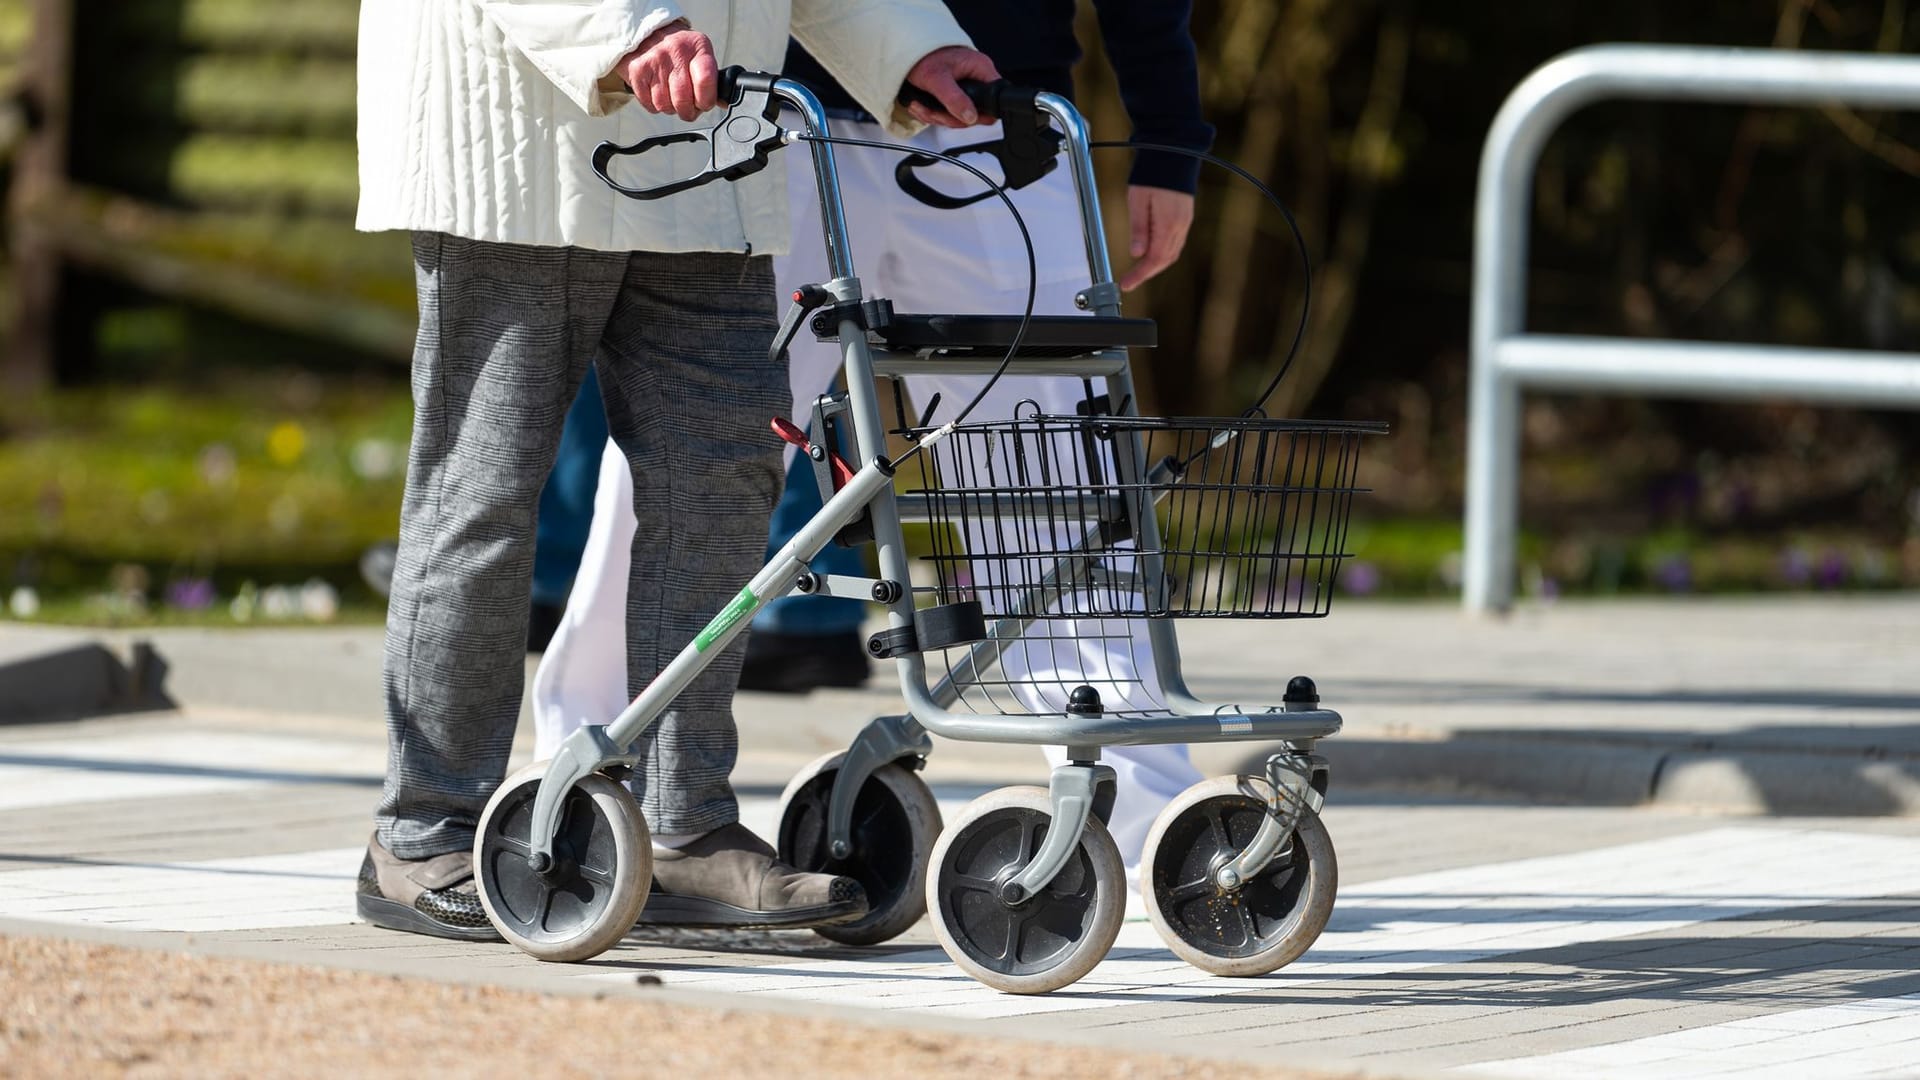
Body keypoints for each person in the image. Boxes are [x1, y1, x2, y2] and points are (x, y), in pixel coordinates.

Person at [531, 0, 1215, 896]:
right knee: (698, 448)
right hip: (769, 109)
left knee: (1055, 465)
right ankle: (594, 756)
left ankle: (1138, 798)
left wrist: (1168, 133)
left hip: (998, 110)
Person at [353, 0, 999, 942]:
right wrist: (629, 29)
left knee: (725, 477)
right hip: (519, 147)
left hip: (706, 154)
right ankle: (423, 834)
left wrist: (909, 46)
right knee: (483, 495)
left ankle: (681, 822)